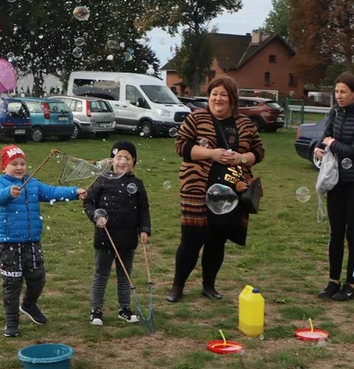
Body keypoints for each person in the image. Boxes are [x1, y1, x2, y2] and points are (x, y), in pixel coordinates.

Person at [168, 76, 265, 302]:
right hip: (197, 188)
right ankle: (177, 286)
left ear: (232, 99)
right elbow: (181, 146)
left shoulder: (244, 123)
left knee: (217, 239)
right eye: (214, 94)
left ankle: (209, 285)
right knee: (191, 238)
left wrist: (241, 157)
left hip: (232, 191)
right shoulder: (196, 118)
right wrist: (212, 154)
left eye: (223, 94)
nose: (217, 98)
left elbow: (259, 152)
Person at [0, 145, 85, 337]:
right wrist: (9, 192)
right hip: (8, 241)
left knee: (38, 278)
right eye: (14, 164)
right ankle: (11, 322)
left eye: (22, 163)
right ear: (4, 167)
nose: (19, 167)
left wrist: (75, 192)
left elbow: (52, 192)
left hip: (32, 241)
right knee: (12, 283)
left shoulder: (32, 183)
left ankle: (29, 304)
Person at [313, 72, 354, 301]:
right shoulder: (335, 112)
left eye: (343, 92)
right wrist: (319, 147)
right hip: (337, 181)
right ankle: (333, 281)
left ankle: (350, 284)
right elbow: (324, 135)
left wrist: (333, 144)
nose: (338, 96)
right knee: (335, 233)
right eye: (336, 91)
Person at [82, 140, 151, 326]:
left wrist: (144, 229)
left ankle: (124, 309)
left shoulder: (137, 184)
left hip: (128, 238)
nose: (122, 161)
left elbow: (144, 209)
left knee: (125, 275)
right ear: (111, 160)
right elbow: (88, 203)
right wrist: (96, 217)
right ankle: (96, 310)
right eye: (118, 157)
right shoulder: (101, 180)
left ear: (134, 162)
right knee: (101, 274)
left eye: (127, 158)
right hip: (105, 237)